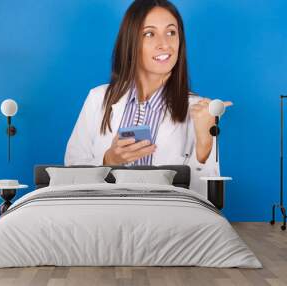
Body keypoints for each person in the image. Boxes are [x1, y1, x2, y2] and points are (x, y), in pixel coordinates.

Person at [64, 0, 232, 196]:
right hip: (106, 215)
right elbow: (71, 170)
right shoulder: (98, 98)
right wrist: (108, 160)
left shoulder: (199, 109)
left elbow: (206, 198)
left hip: (164, 219)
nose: (164, 44)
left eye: (171, 32)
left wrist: (204, 143)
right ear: (131, 42)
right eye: (149, 34)